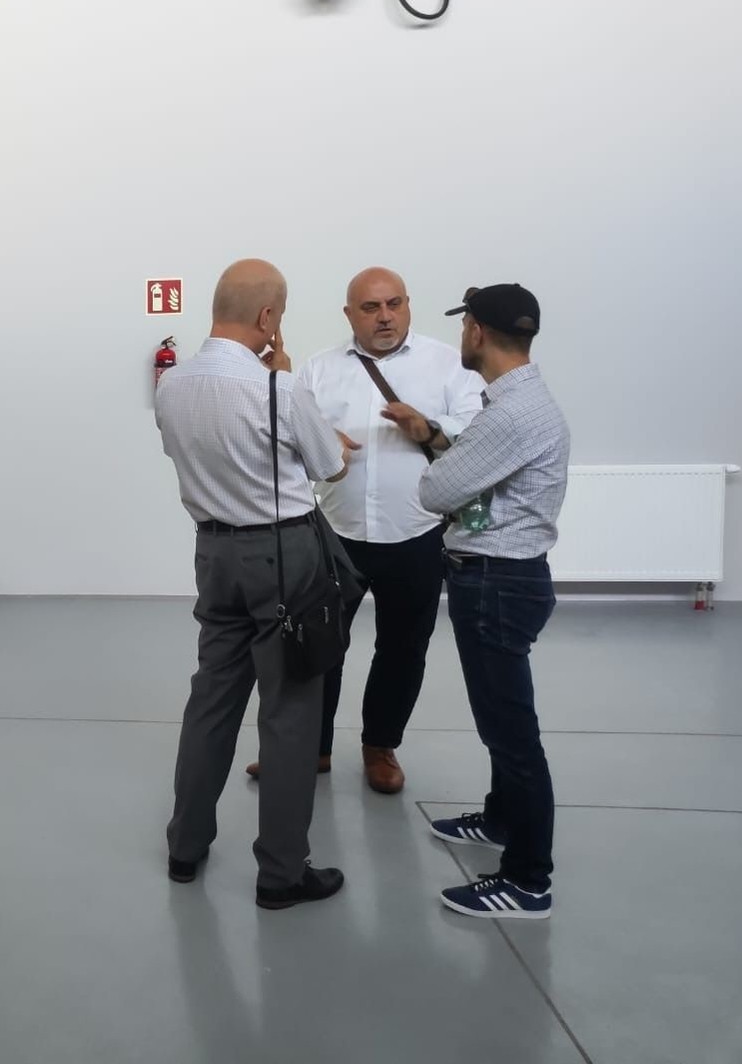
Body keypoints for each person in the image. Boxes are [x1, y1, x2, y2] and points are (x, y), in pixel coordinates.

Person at [154, 258, 351, 910]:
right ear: (269, 317)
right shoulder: (279, 388)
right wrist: (285, 382)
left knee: (212, 697)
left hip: (213, 553)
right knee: (290, 710)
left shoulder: (172, 386)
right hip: (284, 554)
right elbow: (328, 466)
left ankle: (185, 846)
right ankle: (282, 872)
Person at [244, 269, 483, 793]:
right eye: (371, 308)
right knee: (317, 647)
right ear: (349, 314)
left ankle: (380, 746)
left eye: (394, 304)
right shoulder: (318, 370)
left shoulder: (448, 364)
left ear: (408, 304)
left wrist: (429, 429)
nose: (385, 317)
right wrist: (319, 436)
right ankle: (311, 748)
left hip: (416, 533)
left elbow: (478, 431)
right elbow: (287, 438)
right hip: (334, 535)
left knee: (403, 649)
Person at [416, 284, 569, 920]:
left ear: (477, 331)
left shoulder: (510, 415)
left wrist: (439, 460)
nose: (462, 335)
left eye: (464, 325)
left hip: (497, 581)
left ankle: (528, 881)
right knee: (500, 723)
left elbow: (435, 491)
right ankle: (502, 820)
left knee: (511, 734)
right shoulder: (519, 401)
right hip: (503, 577)